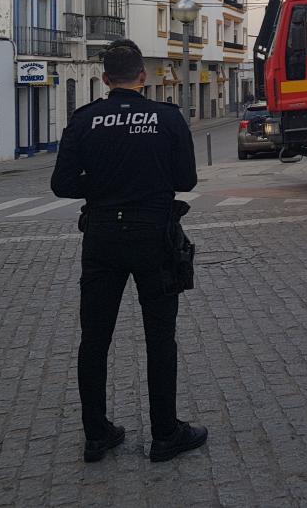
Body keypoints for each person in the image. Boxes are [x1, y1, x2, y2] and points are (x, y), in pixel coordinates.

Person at [50, 39, 207, 464]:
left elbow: (62, 184)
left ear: (104, 79)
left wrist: (100, 187)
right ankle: (164, 434)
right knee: (160, 336)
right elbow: (187, 179)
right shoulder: (167, 118)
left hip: (101, 235)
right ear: (143, 76)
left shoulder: (84, 121)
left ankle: (97, 434)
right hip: (153, 233)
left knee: (94, 338)